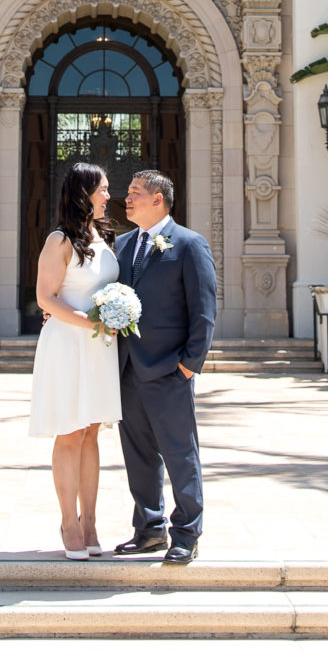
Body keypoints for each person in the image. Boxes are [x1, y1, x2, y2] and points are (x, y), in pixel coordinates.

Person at [110, 169, 217, 565]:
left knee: (179, 454)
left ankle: (187, 533)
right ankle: (149, 529)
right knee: (137, 454)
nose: (127, 197)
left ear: (159, 200)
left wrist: (189, 365)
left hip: (170, 371)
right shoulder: (120, 246)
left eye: (136, 192)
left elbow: (204, 311)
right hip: (126, 371)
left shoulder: (189, 244)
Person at [26, 160, 121, 558]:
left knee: (92, 431)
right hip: (67, 343)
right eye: (102, 189)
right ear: (84, 194)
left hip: (100, 347)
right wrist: (87, 322)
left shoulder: (106, 237)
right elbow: (45, 298)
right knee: (69, 431)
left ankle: (91, 521)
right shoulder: (59, 240)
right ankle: (68, 522)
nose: (108, 196)